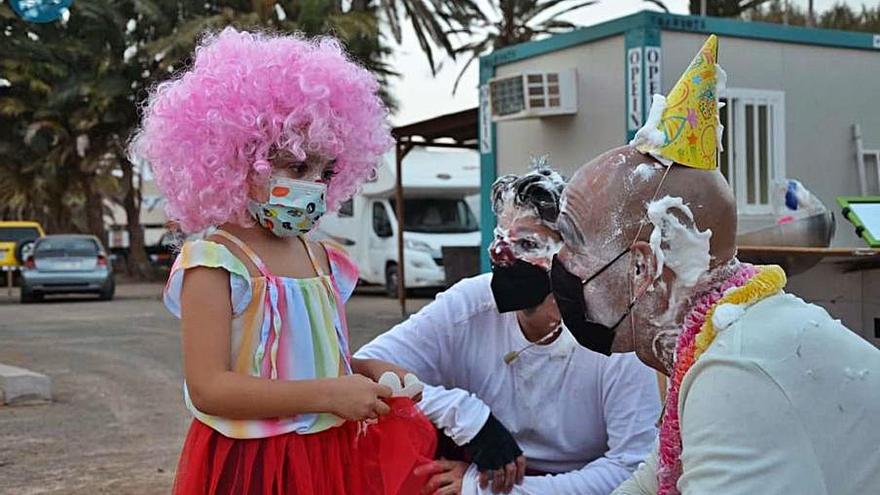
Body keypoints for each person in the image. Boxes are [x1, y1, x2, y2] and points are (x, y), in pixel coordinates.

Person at [550, 35, 880, 495]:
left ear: (643, 270)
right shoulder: (717, 340)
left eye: (571, 242)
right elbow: (653, 482)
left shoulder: (737, 371)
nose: (558, 262)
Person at [130, 28, 435, 495]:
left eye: (325, 170)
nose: (314, 184)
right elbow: (210, 387)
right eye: (296, 167)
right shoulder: (214, 261)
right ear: (237, 160)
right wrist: (330, 393)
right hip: (254, 464)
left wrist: (360, 371)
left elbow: (300, 357)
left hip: (328, 455)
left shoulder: (321, 256)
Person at [356, 165, 660, 495]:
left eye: (527, 243)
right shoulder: (471, 302)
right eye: (501, 237)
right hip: (481, 468)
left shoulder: (613, 329)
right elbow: (364, 367)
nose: (501, 254)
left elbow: (632, 467)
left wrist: (488, 490)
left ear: (574, 256)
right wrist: (463, 413)